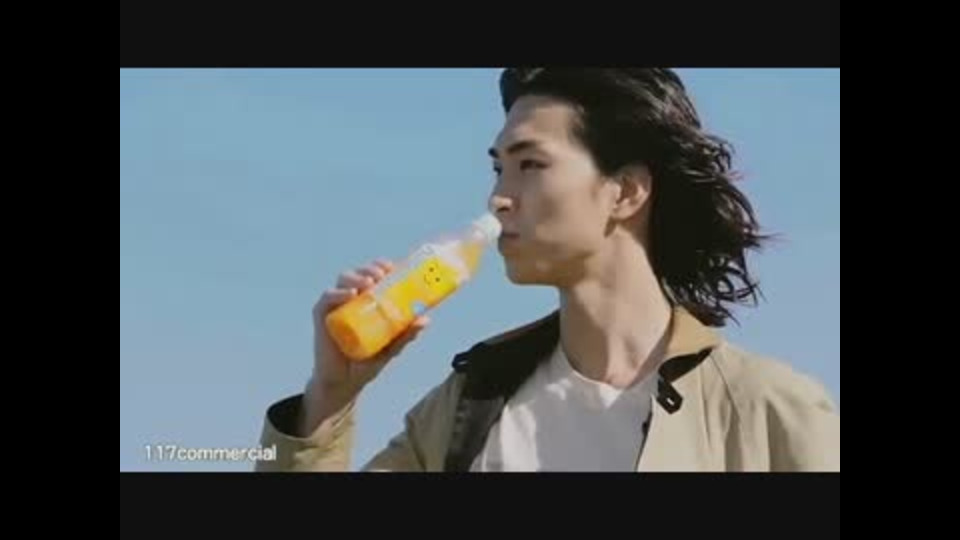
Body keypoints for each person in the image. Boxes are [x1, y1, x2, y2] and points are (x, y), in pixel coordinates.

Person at [254, 68, 840, 472]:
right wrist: (328, 398)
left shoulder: (768, 413)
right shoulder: (466, 409)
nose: (499, 199)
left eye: (530, 165)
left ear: (625, 191)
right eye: (498, 169)